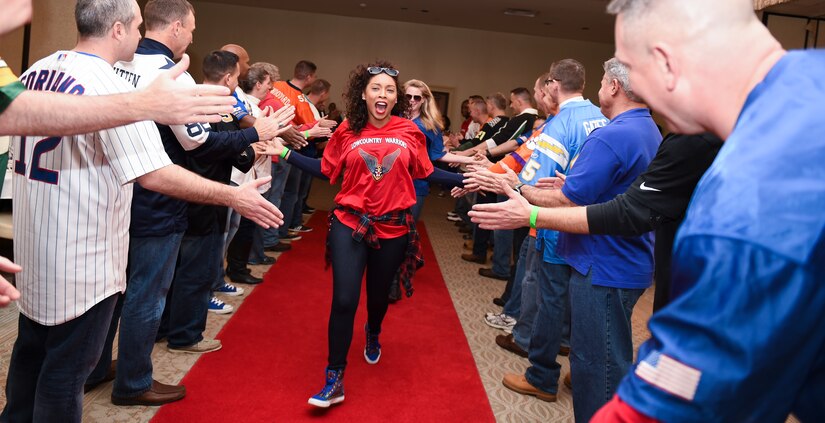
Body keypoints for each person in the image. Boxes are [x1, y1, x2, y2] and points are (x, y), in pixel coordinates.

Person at [0, 1, 283, 421]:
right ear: (116, 30)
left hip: (33, 248)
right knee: (64, 378)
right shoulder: (119, 91)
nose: (141, 35)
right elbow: (155, 174)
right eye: (136, 27)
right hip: (84, 261)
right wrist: (234, 196)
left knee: (28, 363)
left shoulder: (34, 69)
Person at [592, 0, 825, 421]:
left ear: (665, 62)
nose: (634, 91)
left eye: (631, 69)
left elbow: (679, 401)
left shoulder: (745, 201)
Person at [267, 61, 462, 408]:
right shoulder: (347, 130)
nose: (382, 94)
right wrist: (285, 152)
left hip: (393, 225)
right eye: (376, 88)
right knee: (344, 299)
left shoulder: (409, 131)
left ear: (396, 97)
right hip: (349, 221)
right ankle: (334, 377)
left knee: (376, 298)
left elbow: (428, 172)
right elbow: (325, 169)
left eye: (389, 89)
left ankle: (373, 330)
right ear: (363, 94)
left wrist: (469, 178)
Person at [469, 132, 723, 312]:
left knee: (598, 361)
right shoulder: (662, 133)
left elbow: (629, 210)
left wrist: (531, 213)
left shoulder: (689, 139)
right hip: (648, 264)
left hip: (621, 265)